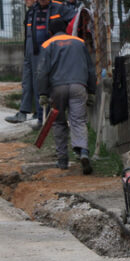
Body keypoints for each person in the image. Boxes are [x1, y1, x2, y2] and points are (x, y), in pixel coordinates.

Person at [37, 18, 96, 173]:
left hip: (58, 88)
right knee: (78, 121)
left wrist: (43, 93)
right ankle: (83, 151)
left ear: (50, 32)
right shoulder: (79, 42)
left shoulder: (47, 44)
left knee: (59, 123)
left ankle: (62, 160)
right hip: (78, 86)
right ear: (67, 30)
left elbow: (42, 72)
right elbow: (90, 68)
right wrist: (92, 91)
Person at [7, 0, 76, 128]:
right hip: (31, 51)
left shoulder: (59, 7)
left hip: (47, 51)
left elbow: (75, 20)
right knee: (28, 82)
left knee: (41, 82)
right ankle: (25, 112)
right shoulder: (32, 10)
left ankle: (42, 118)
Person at [5, 0, 37, 126]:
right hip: (28, 51)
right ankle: (23, 112)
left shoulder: (43, 11)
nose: (25, 1)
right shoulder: (30, 13)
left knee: (38, 82)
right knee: (26, 81)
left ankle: (39, 113)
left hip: (38, 52)